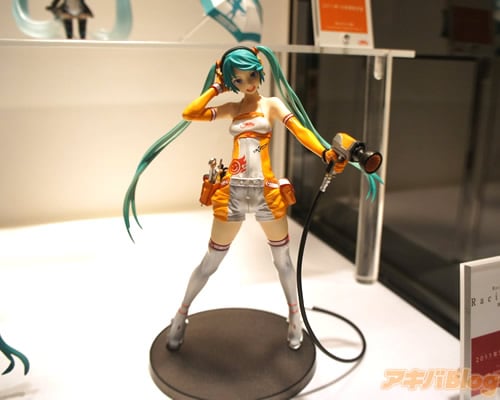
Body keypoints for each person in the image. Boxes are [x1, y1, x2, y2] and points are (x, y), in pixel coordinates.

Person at [123, 46, 349, 351]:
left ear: (260, 71)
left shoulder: (272, 105)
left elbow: (300, 131)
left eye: (252, 75)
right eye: (239, 80)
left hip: (266, 191)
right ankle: (181, 314)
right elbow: (190, 113)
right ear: (232, 82)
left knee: (282, 260)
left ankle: (294, 316)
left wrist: (324, 152)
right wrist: (216, 87)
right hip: (234, 192)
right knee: (211, 260)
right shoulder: (232, 107)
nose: (248, 84)